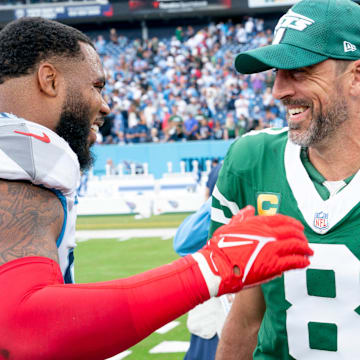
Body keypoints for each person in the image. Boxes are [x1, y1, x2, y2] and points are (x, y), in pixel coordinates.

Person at [0, 17, 313, 360]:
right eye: (97, 86)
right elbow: (23, 328)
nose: (105, 106)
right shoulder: (22, 155)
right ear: (49, 79)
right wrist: (211, 268)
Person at [213, 0, 360, 359]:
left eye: (299, 71)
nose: (277, 91)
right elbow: (246, 316)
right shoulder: (251, 161)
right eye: (277, 73)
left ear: (356, 76)